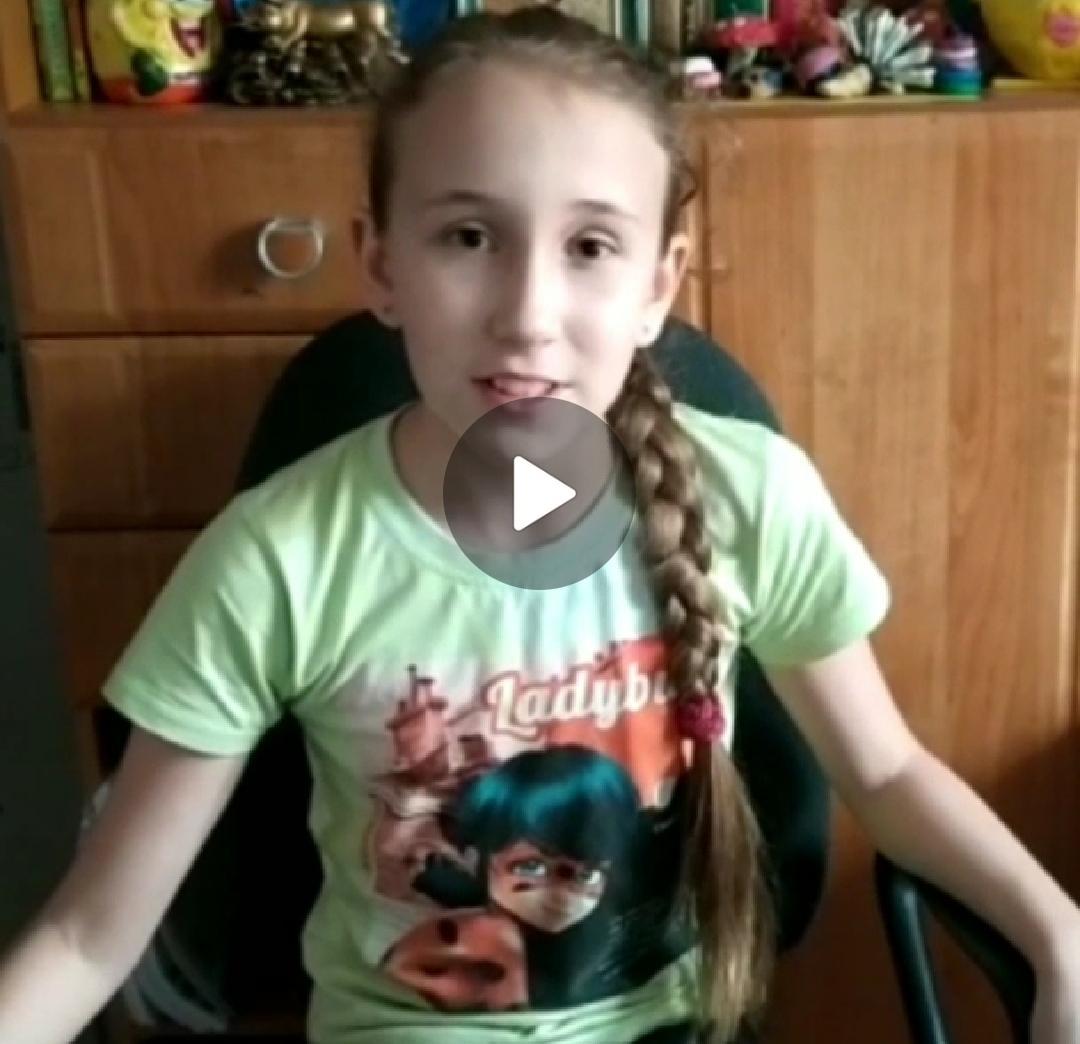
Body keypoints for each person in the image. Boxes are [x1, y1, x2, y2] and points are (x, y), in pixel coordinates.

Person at [2, 8, 1079, 1044]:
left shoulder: (749, 497)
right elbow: (88, 939)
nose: (526, 314)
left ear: (659, 284)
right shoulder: (277, 560)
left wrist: (1061, 936)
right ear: (381, 263)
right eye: (469, 236)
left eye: (591, 246)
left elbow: (887, 776)